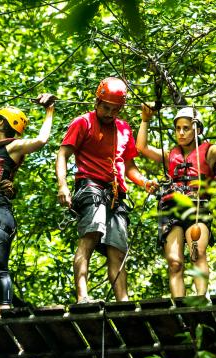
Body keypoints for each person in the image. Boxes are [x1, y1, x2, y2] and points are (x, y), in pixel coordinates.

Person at [56, 77, 157, 303]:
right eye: (106, 107)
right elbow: (63, 154)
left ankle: (124, 302)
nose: (109, 113)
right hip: (91, 186)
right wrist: (63, 185)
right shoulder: (84, 122)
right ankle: (83, 297)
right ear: (97, 102)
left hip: (116, 194)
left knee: (117, 250)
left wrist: (144, 181)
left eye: (115, 109)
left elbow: (129, 166)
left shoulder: (123, 129)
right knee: (90, 238)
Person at [0, 94, 56, 310]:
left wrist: (49, 111)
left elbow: (41, 140)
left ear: (3, 123)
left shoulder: (12, 146)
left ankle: (4, 308)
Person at [136, 102, 216, 297]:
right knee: (174, 262)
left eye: (186, 128)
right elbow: (142, 147)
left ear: (197, 129)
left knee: (196, 253)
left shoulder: (208, 152)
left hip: (197, 207)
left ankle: (201, 298)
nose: (181, 133)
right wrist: (145, 120)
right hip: (172, 209)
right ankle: (179, 305)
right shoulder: (170, 155)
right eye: (178, 129)